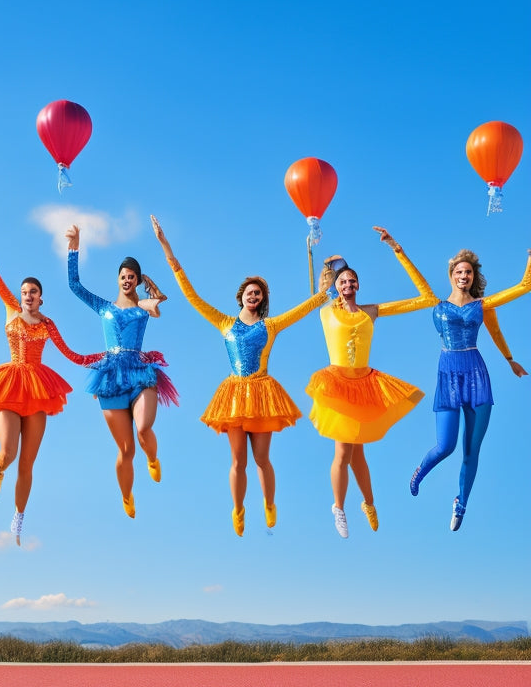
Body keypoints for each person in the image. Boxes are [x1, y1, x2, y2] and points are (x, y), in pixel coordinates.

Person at [152, 215, 332, 536]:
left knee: (262, 459)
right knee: (238, 461)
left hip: (262, 394)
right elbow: (192, 296)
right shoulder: (223, 322)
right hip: (234, 396)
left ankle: (270, 503)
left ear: (262, 300)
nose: (254, 296)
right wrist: (167, 248)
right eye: (249, 292)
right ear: (241, 297)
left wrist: (323, 293)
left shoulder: (270, 325)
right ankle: (238, 508)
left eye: (258, 293)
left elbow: (301, 311)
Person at [0, 239, 104, 545]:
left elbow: (71, 355)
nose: (28, 295)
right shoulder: (11, 311)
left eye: (33, 292)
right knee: (9, 453)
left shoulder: (48, 324)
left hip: (39, 389)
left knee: (28, 462)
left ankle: (18, 517)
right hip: (9, 382)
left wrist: (102, 359)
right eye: (24, 291)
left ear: (41, 298)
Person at [306, 227, 438, 538]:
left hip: (365, 383)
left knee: (358, 453)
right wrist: (316, 252)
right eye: (343, 281)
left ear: (359, 285)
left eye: (352, 280)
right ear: (336, 287)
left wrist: (397, 249)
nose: (348, 284)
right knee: (342, 451)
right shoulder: (325, 312)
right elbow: (315, 290)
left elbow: (427, 297)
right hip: (337, 383)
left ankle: (368, 503)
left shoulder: (371, 312)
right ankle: (338, 507)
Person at [409, 248, 531, 531]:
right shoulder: (436, 304)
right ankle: (419, 472)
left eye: (468, 272)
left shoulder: (483, 305)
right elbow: (416, 279)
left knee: (471, 449)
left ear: (473, 276)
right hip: (449, 375)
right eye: (459, 272)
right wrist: (397, 248)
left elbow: (524, 289)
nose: (464, 276)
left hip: (476, 375)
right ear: (451, 276)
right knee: (445, 446)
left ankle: (460, 502)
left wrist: (510, 360)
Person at [65, 223, 178, 518]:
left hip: (140, 372)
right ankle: (127, 495)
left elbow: (158, 305)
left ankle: (153, 458)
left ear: (138, 281)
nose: (127, 280)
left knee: (143, 429)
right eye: (123, 276)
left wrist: (156, 295)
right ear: (117, 280)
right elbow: (75, 285)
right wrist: (74, 247)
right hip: (111, 378)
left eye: (132, 277)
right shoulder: (103, 307)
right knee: (126, 451)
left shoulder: (143, 306)